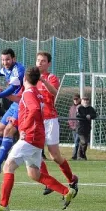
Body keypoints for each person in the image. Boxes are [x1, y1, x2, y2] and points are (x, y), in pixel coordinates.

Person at [0, 67, 76, 211]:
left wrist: (23, 128)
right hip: (36, 138)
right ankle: (66, 191)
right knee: (34, 174)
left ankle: (3, 205)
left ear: (24, 79)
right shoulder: (36, 93)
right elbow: (27, 108)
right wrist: (16, 121)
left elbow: (33, 110)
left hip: (29, 137)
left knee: (8, 167)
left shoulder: (28, 93)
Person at [34, 52, 79, 196]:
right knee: (35, 152)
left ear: (48, 64)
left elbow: (55, 92)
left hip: (50, 120)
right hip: (36, 121)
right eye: (38, 60)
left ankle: (71, 179)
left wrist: (43, 80)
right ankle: (48, 182)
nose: (40, 63)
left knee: (54, 156)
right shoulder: (30, 79)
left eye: (43, 61)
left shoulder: (51, 77)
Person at [68, 94, 81, 160]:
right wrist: (70, 124)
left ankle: (74, 156)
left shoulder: (81, 107)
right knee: (76, 142)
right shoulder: (72, 107)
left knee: (77, 141)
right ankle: (78, 155)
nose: (75, 100)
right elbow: (70, 117)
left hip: (79, 127)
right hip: (73, 127)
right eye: (74, 99)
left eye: (77, 99)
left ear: (79, 99)